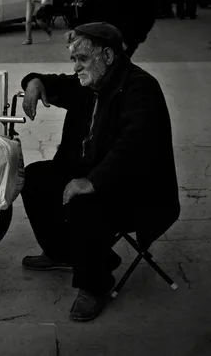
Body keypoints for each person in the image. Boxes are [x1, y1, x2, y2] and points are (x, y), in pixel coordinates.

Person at [19, 22, 180, 322]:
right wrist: (35, 82)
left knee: (83, 202)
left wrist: (91, 181)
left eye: (82, 59)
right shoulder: (92, 81)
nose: (76, 67)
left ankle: (95, 285)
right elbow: (57, 83)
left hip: (133, 186)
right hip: (95, 173)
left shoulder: (140, 87)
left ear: (107, 55)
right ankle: (62, 252)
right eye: (74, 60)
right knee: (35, 179)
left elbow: (133, 146)